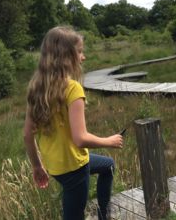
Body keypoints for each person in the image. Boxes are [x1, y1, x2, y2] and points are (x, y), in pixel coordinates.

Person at [23, 26, 123, 220]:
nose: (83, 57)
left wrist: (37, 166)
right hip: (74, 168)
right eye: (79, 51)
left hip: (55, 166)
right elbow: (80, 138)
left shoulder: (36, 88)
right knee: (74, 215)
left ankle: (104, 213)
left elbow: (27, 135)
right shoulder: (72, 89)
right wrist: (109, 141)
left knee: (108, 165)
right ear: (66, 55)